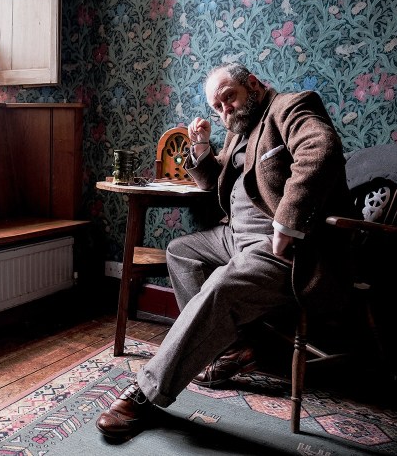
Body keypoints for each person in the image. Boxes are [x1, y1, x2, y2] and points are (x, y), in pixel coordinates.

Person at [96, 62, 353, 440]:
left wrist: (288, 223)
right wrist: (201, 147)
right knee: (182, 251)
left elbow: (321, 150)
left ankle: (147, 393)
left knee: (219, 285)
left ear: (252, 84)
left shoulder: (290, 106)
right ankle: (231, 348)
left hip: (282, 246)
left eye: (228, 98)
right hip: (236, 236)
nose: (224, 110)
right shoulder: (239, 132)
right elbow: (213, 182)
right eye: (217, 107)